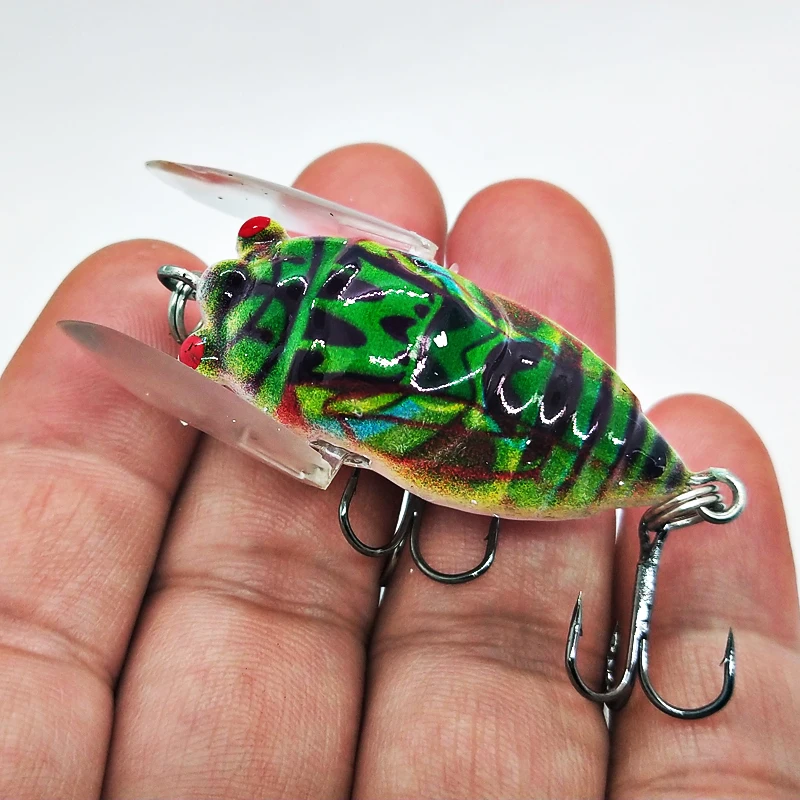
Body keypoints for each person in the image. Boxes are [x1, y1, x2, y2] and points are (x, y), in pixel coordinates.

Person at [1, 143, 797, 799]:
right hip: (529, 408)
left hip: (553, 424)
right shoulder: (316, 287)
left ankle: (668, 488)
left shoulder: (275, 367)